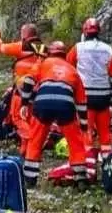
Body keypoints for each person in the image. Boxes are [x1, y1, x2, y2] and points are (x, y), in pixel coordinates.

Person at [18, 41, 89, 188]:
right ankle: (80, 177)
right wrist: (83, 125)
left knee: (36, 139)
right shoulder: (73, 70)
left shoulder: (44, 63)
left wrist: (24, 103)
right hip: (65, 104)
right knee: (75, 141)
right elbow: (82, 103)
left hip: (43, 103)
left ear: (50, 52)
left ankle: (30, 178)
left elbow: (29, 80)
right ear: (64, 55)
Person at [67, 17, 112, 172]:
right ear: (99, 31)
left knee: (86, 132)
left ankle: (89, 168)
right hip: (104, 97)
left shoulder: (78, 48)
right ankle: (109, 167)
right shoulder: (108, 49)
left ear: (85, 32)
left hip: (85, 97)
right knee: (105, 134)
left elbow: (68, 68)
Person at [0, 21, 45, 154]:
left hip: (22, 91)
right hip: (38, 91)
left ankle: (32, 141)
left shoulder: (22, 46)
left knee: (17, 118)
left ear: (25, 35)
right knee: (30, 120)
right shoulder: (43, 49)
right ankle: (26, 151)